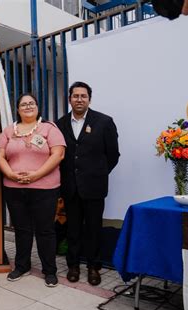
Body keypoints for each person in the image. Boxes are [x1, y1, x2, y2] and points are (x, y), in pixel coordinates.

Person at [0, 93, 66, 287]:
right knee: (22, 229)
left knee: (45, 230)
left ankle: (49, 270)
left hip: (45, 188)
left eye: (31, 103)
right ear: (17, 109)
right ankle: (22, 266)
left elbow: (58, 155)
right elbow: (0, 156)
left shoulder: (49, 128)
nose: (28, 106)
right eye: (23, 104)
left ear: (37, 107)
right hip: (14, 188)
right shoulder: (9, 131)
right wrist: (10, 174)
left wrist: (36, 175)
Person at [56, 81, 120, 286]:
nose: (79, 99)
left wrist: (97, 173)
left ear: (89, 99)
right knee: (72, 229)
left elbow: (113, 155)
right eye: (75, 96)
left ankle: (94, 266)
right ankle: (73, 265)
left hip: (94, 186)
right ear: (69, 99)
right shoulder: (60, 123)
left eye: (83, 96)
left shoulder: (104, 122)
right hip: (70, 187)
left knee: (94, 228)